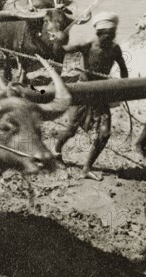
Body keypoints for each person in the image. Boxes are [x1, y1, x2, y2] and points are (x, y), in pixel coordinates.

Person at [52, 12, 129, 181]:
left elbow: (123, 68)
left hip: (101, 93)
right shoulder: (88, 45)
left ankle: (86, 168)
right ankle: (56, 151)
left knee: (105, 133)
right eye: (107, 35)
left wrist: (124, 87)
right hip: (83, 91)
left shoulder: (115, 48)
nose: (110, 38)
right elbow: (60, 52)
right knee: (71, 128)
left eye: (113, 34)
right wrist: (59, 39)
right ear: (99, 33)